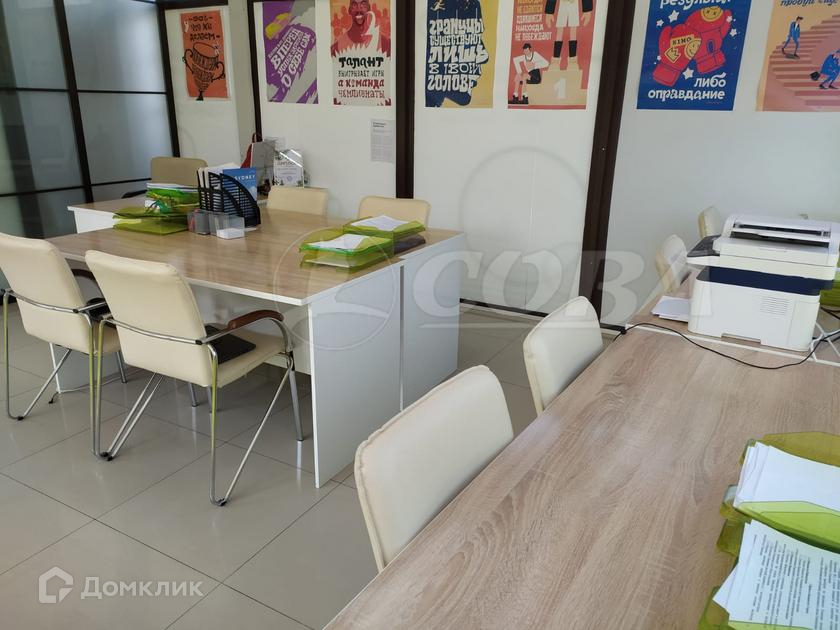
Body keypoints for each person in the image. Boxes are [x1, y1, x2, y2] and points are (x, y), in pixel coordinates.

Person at [545, 0, 593, 70]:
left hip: (574, 4)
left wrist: (587, 9)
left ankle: (572, 61)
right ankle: (555, 61)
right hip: (562, 4)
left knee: (573, 31)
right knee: (560, 30)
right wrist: (549, 11)